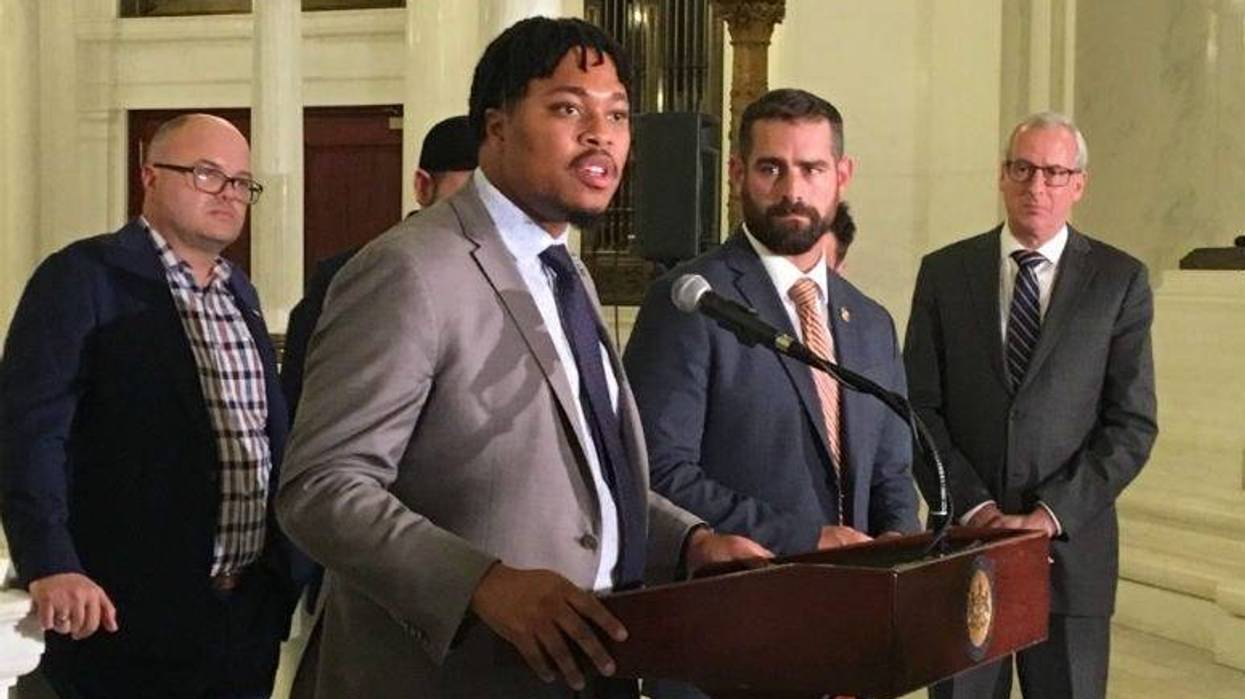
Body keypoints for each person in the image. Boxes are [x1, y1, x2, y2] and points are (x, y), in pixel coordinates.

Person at [275, 16, 769, 698]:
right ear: (496, 128)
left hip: (590, 665)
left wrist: (688, 543)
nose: (601, 134)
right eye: (568, 108)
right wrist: (481, 583)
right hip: (453, 676)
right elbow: (321, 488)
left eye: (618, 115)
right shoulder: (411, 269)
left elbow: (580, 482)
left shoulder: (564, 271)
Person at [623, 88, 920, 699]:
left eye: (811, 169)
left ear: (842, 176)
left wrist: (895, 545)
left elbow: (892, 471)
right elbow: (655, 469)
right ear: (736, 174)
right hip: (729, 636)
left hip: (848, 637)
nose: (793, 190)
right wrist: (804, 540)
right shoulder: (691, 301)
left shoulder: (870, 322)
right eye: (771, 168)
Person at [0, 114, 310, 698]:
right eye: (206, 174)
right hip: (124, 614)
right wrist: (49, 560)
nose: (229, 195)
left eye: (242, 183)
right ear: (150, 175)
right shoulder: (83, 278)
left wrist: (284, 573)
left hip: (242, 616)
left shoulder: (237, 290)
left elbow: (267, 435)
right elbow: (32, 431)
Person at [903, 111, 1157, 699]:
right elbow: (918, 409)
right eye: (1022, 168)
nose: (1035, 186)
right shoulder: (945, 273)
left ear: (1078, 184)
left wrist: (1049, 515)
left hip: (1070, 556)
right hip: (966, 548)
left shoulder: (1120, 281)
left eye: (1053, 171)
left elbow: (1131, 423)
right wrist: (977, 509)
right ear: (1002, 174)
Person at [281, 114, 477, 421]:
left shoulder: (518, 283)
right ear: (423, 186)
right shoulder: (352, 277)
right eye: (471, 197)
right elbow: (304, 410)